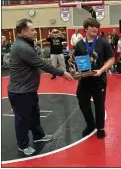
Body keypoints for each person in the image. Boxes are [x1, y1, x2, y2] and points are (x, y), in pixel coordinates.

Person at [8, 18, 73, 156]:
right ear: (23, 32)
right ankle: (23, 145)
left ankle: (38, 136)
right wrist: (62, 72)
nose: (35, 32)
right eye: (32, 30)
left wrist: (35, 44)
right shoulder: (22, 47)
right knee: (23, 119)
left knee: (34, 114)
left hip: (29, 89)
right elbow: (42, 64)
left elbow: (36, 51)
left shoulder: (28, 43)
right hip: (20, 92)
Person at [74, 18, 114, 139]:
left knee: (99, 105)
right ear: (85, 28)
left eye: (96, 26)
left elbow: (111, 59)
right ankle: (90, 124)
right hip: (84, 80)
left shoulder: (103, 42)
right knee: (83, 103)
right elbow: (76, 61)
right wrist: (76, 71)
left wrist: (101, 70)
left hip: (99, 80)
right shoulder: (79, 44)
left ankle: (100, 127)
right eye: (92, 26)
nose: (95, 28)